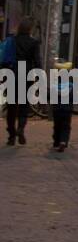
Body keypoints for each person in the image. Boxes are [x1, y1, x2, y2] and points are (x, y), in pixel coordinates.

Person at [2, 18, 41, 146]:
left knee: (12, 106)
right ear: (30, 29)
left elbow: (4, 59)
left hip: (12, 73)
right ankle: (21, 128)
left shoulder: (12, 40)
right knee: (24, 105)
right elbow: (37, 62)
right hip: (27, 74)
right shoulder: (34, 43)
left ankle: (11, 135)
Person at [51, 60, 74, 153]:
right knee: (66, 126)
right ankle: (63, 141)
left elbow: (50, 96)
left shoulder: (54, 85)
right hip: (67, 110)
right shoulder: (71, 85)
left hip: (56, 110)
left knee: (57, 126)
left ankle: (56, 141)